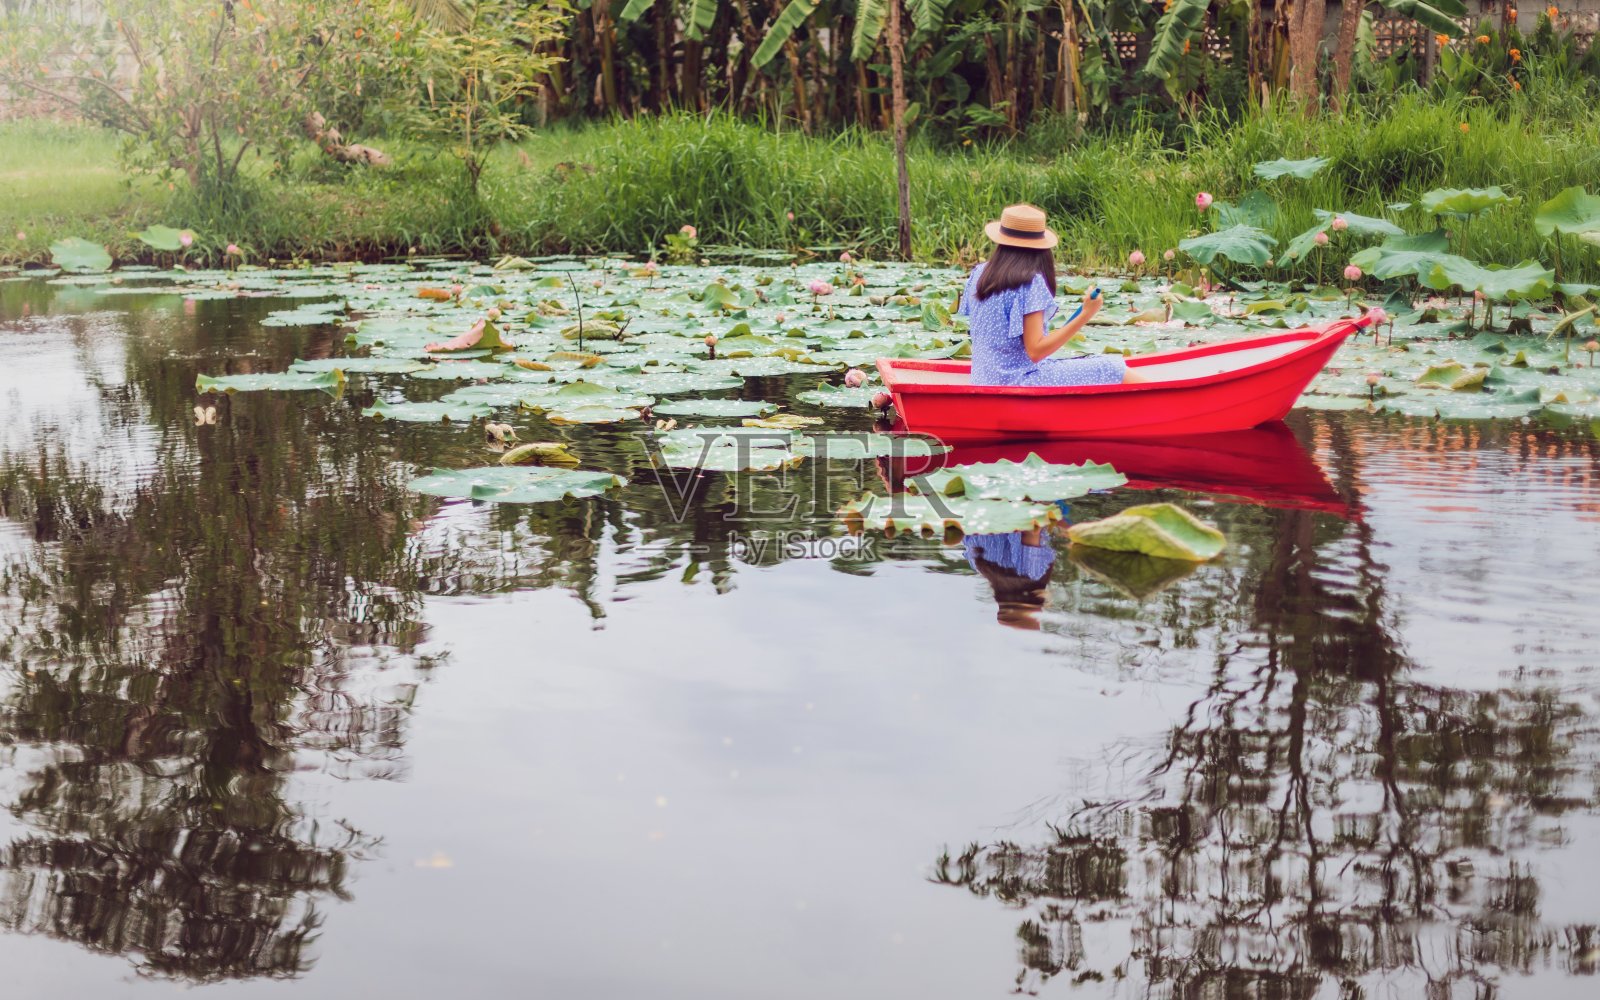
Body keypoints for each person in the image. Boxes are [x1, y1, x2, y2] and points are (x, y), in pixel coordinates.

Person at [959, 204, 1144, 388]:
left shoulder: (979, 273)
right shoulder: (1029, 282)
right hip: (1019, 382)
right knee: (1111, 367)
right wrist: (1086, 314)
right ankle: (1166, 406)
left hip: (983, 381)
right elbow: (1036, 351)